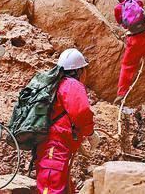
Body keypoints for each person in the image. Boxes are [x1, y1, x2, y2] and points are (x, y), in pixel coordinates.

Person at [35, 48, 100, 194]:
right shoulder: (71, 84)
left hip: (51, 146)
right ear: (79, 71)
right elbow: (81, 112)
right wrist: (90, 133)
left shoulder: (57, 84)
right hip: (55, 148)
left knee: (61, 186)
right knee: (51, 187)